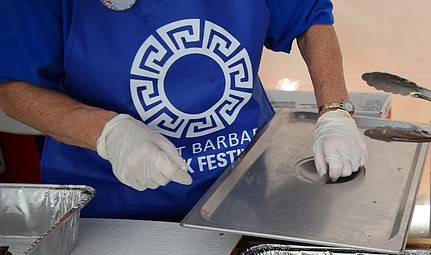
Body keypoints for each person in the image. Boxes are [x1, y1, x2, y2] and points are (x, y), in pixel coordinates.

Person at [0, 0, 366, 221]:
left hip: (243, 184)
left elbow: (309, 17)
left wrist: (335, 110)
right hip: (110, 202)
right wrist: (106, 133)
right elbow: (12, 88)